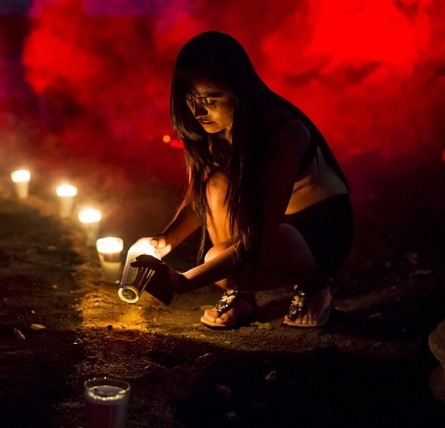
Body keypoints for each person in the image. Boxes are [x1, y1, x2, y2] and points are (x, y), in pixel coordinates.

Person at [130, 31, 353, 329]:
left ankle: (316, 283)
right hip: (272, 225)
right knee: (216, 185)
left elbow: (259, 237)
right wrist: (164, 240)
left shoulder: (281, 133)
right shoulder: (218, 127)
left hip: (318, 229)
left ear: (239, 91)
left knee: (221, 266)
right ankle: (242, 294)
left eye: (210, 99)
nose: (197, 111)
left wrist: (184, 282)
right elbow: (202, 200)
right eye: (191, 99)